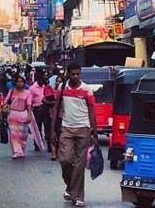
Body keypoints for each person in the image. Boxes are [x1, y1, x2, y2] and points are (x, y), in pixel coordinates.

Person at [52, 62, 98, 208]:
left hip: (83, 129)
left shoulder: (87, 90)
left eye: (78, 74)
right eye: (73, 74)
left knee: (79, 164)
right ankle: (71, 188)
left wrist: (95, 133)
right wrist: (52, 130)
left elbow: (92, 112)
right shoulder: (62, 88)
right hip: (66, 128)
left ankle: (79, 196)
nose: (76, 76)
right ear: (68, 74)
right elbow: (56, 107)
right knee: (65, 160)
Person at [5, 75, 33, 159]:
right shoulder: (11, 92)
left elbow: (29, 105)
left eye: (21, 82)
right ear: (15, 83)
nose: (19, 83)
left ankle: (22, 151)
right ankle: (16, 152)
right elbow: (6, 102)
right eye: (18, 82)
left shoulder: (28, 93)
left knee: (23, 135)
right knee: (14, 135)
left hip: (23, 115)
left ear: (24, 83)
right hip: (13, 115)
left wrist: (29, 115)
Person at [30, 73, 46, 151]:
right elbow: (29, 100)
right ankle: (37, 144)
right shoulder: (32, 88)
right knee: (37, 127)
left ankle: (48, 144)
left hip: (45, 107)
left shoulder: (45, 86)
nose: (41, 81)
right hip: (37, 109)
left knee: (47, 126)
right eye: (40, 80)